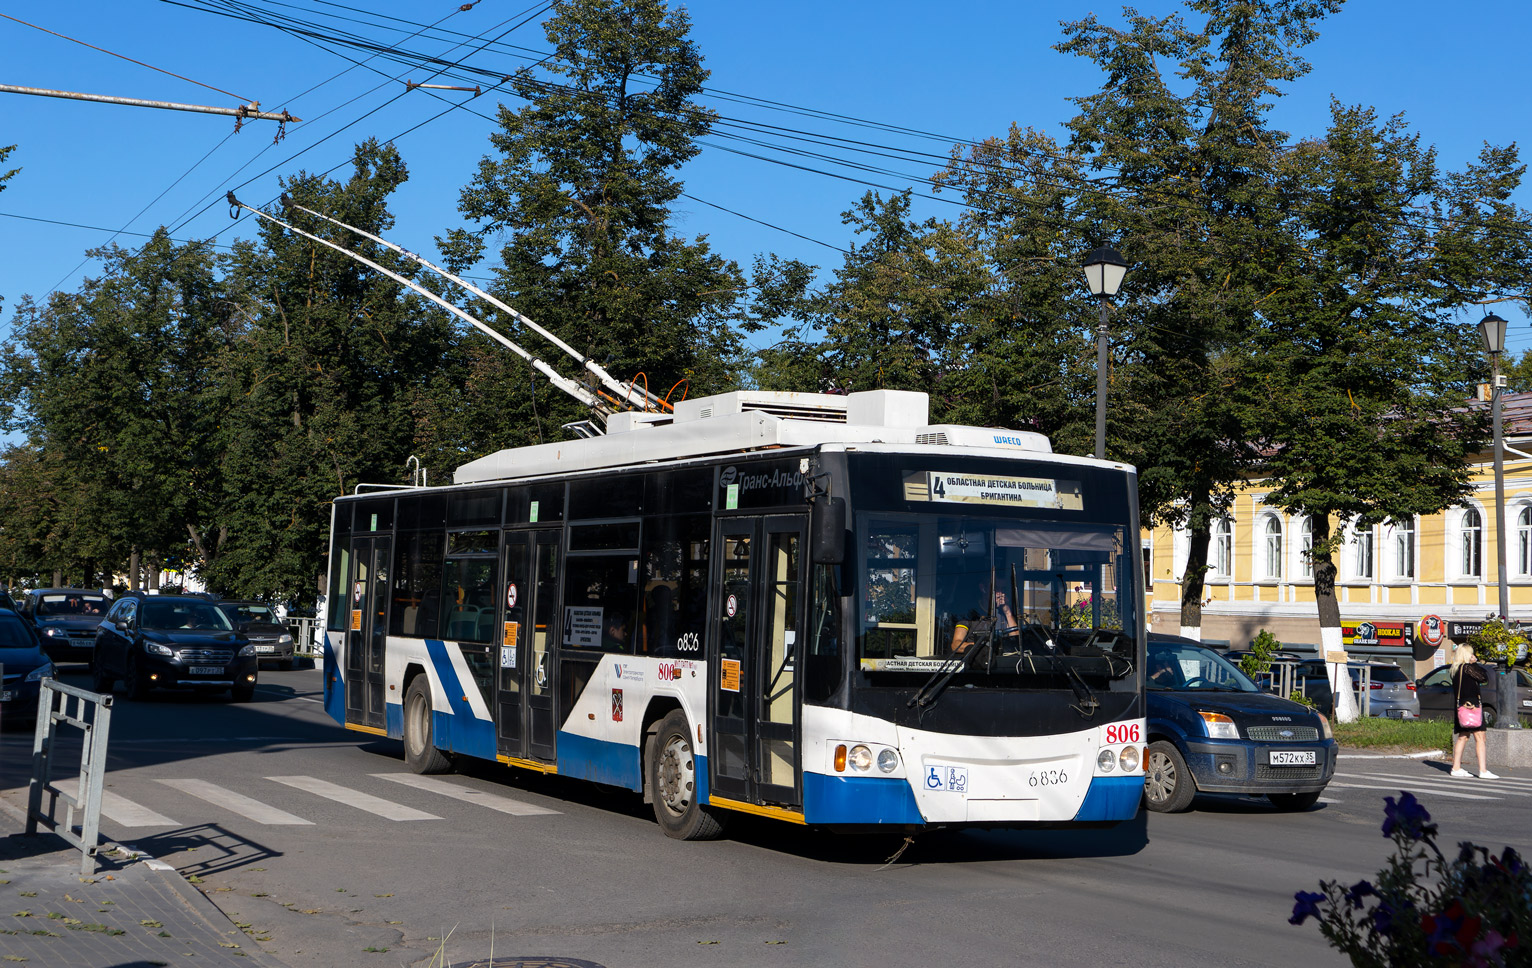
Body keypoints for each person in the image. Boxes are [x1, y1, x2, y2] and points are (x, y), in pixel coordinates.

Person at [1448, 642, 1498, 779]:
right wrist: (1475, 663)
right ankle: (1483, 770)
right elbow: (1484, 677)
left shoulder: (1455, 669)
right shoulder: (1468, 668)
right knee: (1480, 736)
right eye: (1471, 653)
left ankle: (1456, 767)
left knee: (1463, 737)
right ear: (1467, 654)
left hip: (1461, 706)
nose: (1473, 655)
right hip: (1472, 705)